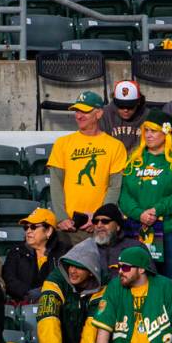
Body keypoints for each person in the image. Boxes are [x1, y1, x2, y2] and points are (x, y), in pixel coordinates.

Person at [119, 110, 172, 279]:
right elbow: (124, 195)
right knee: (143, 280)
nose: (148, 135)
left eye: (153, 131)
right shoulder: (134, 159)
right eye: (146, 130)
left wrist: (156, 210)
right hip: (140, 229)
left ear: (166, 133)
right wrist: (139, 214)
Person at [91, 246, 172, 343]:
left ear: (141, 269)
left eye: (126, 267)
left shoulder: (165, 287)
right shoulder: (114, 287)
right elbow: (104, 326)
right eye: (119, 267)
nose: (120, 271)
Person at [48, 91, 128, 246]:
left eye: (85, 111)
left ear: (98, 114)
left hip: (99, 227)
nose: (79, 116)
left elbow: (115, 186)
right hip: (69, 227)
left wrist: (99, 217)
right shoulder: (62, 143)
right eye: (77, 111)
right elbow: (56, 182)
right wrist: (62, 217)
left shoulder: (115, 146)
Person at [36, 244, 104, 343]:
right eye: (70, 265)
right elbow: (48, 316)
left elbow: (95, 322)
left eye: (79, 267)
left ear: (91, 271)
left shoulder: (103, 284)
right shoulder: (55, 280)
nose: (72, 271)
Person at [3, 207, 70, 303]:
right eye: (26, 227)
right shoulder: (16, 252)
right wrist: (29, 293)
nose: (28, 231)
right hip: (24, 303)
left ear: (48, 231)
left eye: (33, 227)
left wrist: (42, 292)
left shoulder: (64, 252)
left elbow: (66, 280)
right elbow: (9, 280)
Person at [69, 203, 143, 282]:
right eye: (95, 221)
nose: (99, 225)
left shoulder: (135, 248)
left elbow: (149, 280)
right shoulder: (85, 248)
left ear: (118, 226)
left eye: (105, 221)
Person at [99, 80, 148, 154]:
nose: (125, 110)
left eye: (130, 106)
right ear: (115, 102)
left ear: (138, 102)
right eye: (121, 106)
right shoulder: (105, 114)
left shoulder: (147, 115)